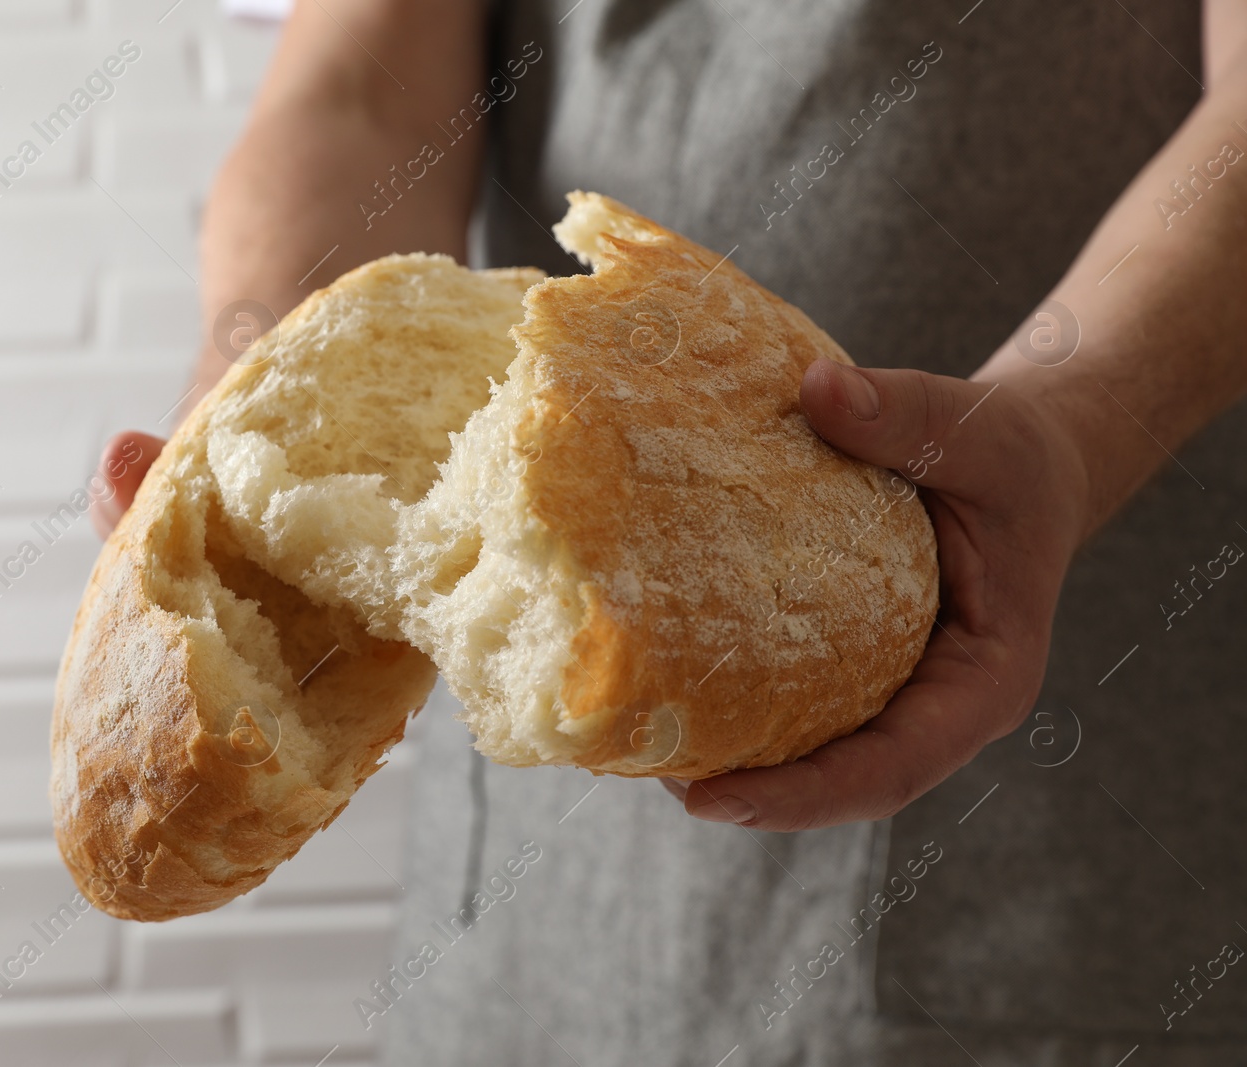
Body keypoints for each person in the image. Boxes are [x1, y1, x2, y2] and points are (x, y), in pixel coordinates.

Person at [94, 1, 1247, 1062]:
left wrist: (1076, 418)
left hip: (1045, 815)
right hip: (527, 876)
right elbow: (359, 89)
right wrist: (250, 385)